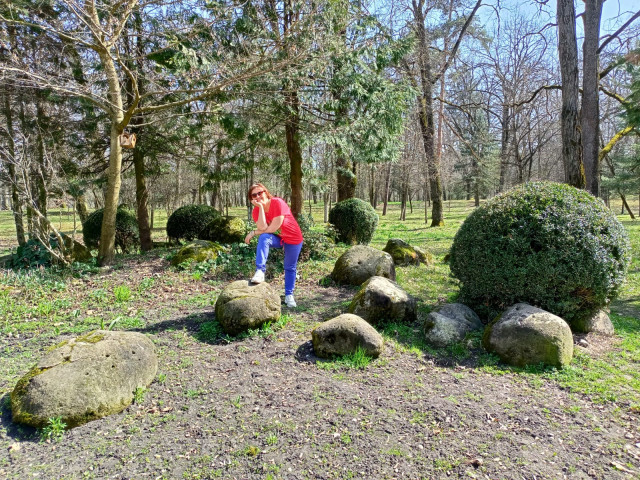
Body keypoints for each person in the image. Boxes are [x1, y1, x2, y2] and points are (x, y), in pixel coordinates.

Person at [244, 183, 303, 308]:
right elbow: (264, 228)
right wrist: (260, 208)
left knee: (289, 267)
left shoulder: (277, 202)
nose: (258, 196)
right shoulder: (256, 211)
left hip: (293, 238)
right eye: (254, 195)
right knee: (264, 238)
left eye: (260, 192)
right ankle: (260, 271)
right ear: (251, 199)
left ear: (266, 192)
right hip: (280, 238)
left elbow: (273, 227)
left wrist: (253, 232)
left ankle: (289, 295)